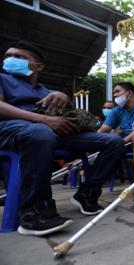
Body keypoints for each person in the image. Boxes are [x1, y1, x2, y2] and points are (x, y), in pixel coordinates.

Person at [0, 41, 125, 236]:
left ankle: (86, 194)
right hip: (10, 128)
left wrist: (64, 97)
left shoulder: (45, 90)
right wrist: (42, 120)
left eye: (19, 57)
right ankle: (34, 213)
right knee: (40, 133)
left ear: (38, 66)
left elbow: (66, 115)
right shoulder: (2, 79)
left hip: (50, 133)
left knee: (114, 142)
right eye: (8, 56)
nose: (10, 60)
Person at [98, 82, 134, 207]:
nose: (115, 95)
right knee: (104, 140)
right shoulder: (117, 111)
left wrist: (124, 140)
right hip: (126, 143)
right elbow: (102, 130)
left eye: (117, 91)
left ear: (129, 93)